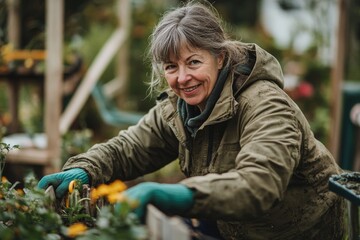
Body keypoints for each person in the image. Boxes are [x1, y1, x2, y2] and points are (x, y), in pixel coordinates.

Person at [38, 1, 345, 239]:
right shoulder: (181, 107)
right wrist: (84, 167)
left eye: (194, 62)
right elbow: (129, 147)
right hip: (235, 228)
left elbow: (258, 186)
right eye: (171, 66)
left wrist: (174, 193)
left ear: (220, 58)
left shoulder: (266, 105)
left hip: (298, 233)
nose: (183, 78)